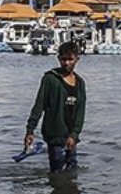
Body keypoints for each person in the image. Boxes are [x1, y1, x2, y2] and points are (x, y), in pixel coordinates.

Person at [24, 41, 86, 172]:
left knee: (71, 173)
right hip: (55, 135)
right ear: (59, 59)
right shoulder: (50, 79)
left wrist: (74, 134)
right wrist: (30, 130)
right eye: (63, 59)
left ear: (77, 59)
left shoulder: (80, 83)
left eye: (70, 59)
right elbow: (39, 105)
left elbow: (81, 112)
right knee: (57, 173)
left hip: (71, 136)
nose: (67, 63)